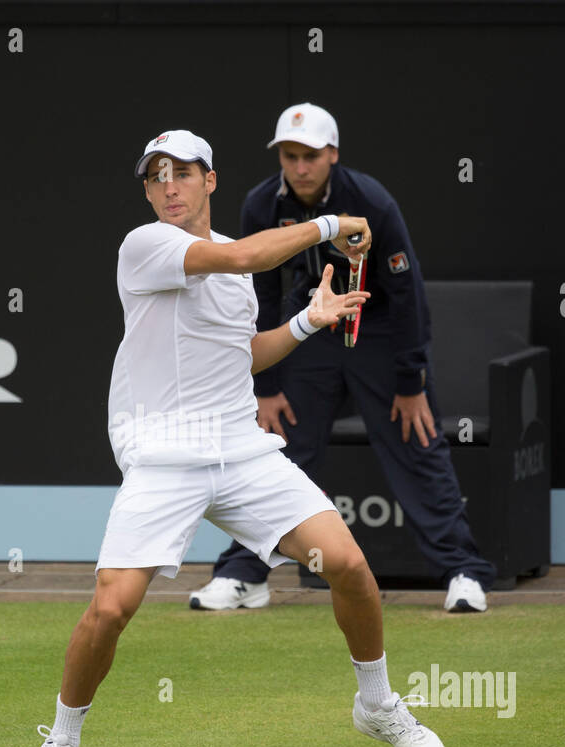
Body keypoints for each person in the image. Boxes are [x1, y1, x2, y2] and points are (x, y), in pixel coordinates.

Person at [17, 130, 447, 747]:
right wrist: (327, 225)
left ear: (208, 181)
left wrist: (308, 321)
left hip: (239, 448)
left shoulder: (232, 271)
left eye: (182, 173)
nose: (168, 185)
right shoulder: (148, 245)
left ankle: (377, 704)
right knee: (111, 609)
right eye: (156, 176)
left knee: (350, 566)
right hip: (163, 452)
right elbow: (248, 254)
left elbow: (239, 355)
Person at [189, 103, 496, 615]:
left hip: (375, 328)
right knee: (275, 449)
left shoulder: (371, 200)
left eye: (311, 155)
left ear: (332, 154)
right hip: (312, 324)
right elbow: (259, 293)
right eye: (291, 156)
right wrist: (264, 387)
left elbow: (406, 292)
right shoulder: (261, 203)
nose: (301, 166)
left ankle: (464, 571)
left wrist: (410, 380)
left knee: (417, 445)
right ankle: (245, 574)